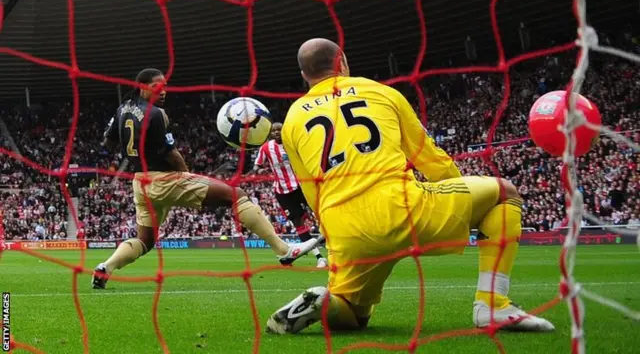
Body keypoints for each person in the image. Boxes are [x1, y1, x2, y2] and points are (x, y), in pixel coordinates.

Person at [265, 39, 554, 333]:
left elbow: (311, 191)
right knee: (504, 194)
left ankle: (326, 302)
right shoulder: (381, 93)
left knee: (353, 315)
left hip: (345, 228)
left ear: (304, 75)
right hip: (404, 207)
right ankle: (492, 304)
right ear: (343, 62)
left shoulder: (292, 121)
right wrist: (461, 202)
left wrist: (335, 235)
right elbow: (430, 158)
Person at [91, 68, 319, 289]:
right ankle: (284, 251)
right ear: (142, 88)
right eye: (156, 87)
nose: (162, 91)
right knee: (236, 195)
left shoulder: (123, 109)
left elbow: (107, 142)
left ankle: (106, 267)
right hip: (164, 179)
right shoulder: (157, 113)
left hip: (140, 182)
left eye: (165, 87)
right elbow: (171, 152)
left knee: (145, 241)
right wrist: (186, 175)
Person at [254, 122, 328, 268]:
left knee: (321, 213)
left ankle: (332, 243)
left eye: (279, 130)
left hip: (302, 186)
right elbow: (257, 165)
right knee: (298, 222)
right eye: (273, 131)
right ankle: (319, 257)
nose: (276, 132)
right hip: (283, 192)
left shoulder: (292, 144)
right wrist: (259, 170)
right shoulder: (266, 148)